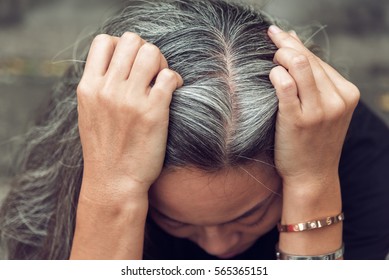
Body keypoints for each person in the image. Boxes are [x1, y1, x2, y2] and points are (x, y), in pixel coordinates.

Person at [0, 0, 388, 260]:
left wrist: (312, 182)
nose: (219, 250)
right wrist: (111, 189)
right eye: (176, 220)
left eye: (249, 216)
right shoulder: (82, 162)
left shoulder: (364, 161)